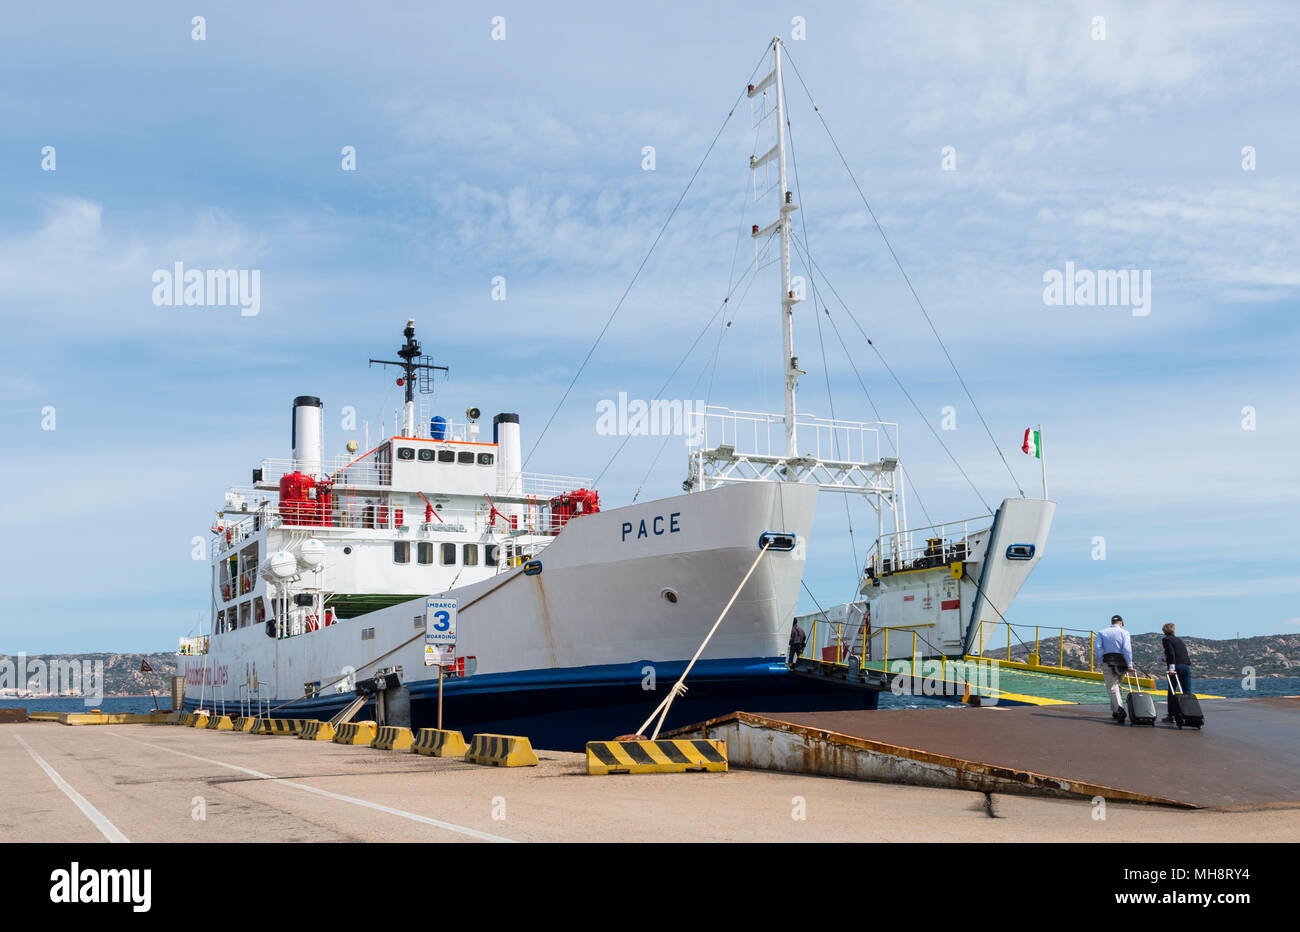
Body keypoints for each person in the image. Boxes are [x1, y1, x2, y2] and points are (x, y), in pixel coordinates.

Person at [1096, 614, 1134, 723]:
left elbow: (1098, 648)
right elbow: (1127, 649)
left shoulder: (1102, 632)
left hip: (1108, 660)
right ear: (1121, 623)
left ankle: (1119, 709)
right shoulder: (1125, 632)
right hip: (1121, 661)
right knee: (1118, 685)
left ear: (1112, 622)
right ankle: (1115, 711)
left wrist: (1101, 660)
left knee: (1112, 686)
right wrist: (1130, 664)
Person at [1161, 622, 1192, 723]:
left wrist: (1171, 668)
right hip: (1186, 666)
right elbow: (1179, 654)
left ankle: (1171, 715)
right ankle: (1189, 714)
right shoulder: (1179, 640)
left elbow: (1171, 654)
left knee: (1172, 691)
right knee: (1187, 692)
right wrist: (1166, 660)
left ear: (1164, 631)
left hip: (1176, 668)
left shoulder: (1166, 639)